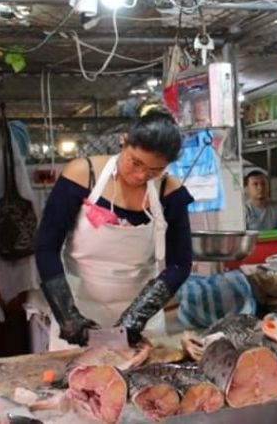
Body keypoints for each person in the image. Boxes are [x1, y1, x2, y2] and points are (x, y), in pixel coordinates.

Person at [34, 101, 194, 349]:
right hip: (80, 309)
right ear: (124, 142)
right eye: (135, 162)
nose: (141, 176)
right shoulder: (82, 174)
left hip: (143, 320)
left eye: (154, 170)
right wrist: (68, 315)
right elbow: (46, 246)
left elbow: (180, 263)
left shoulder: (169, 191)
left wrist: (137, 317)